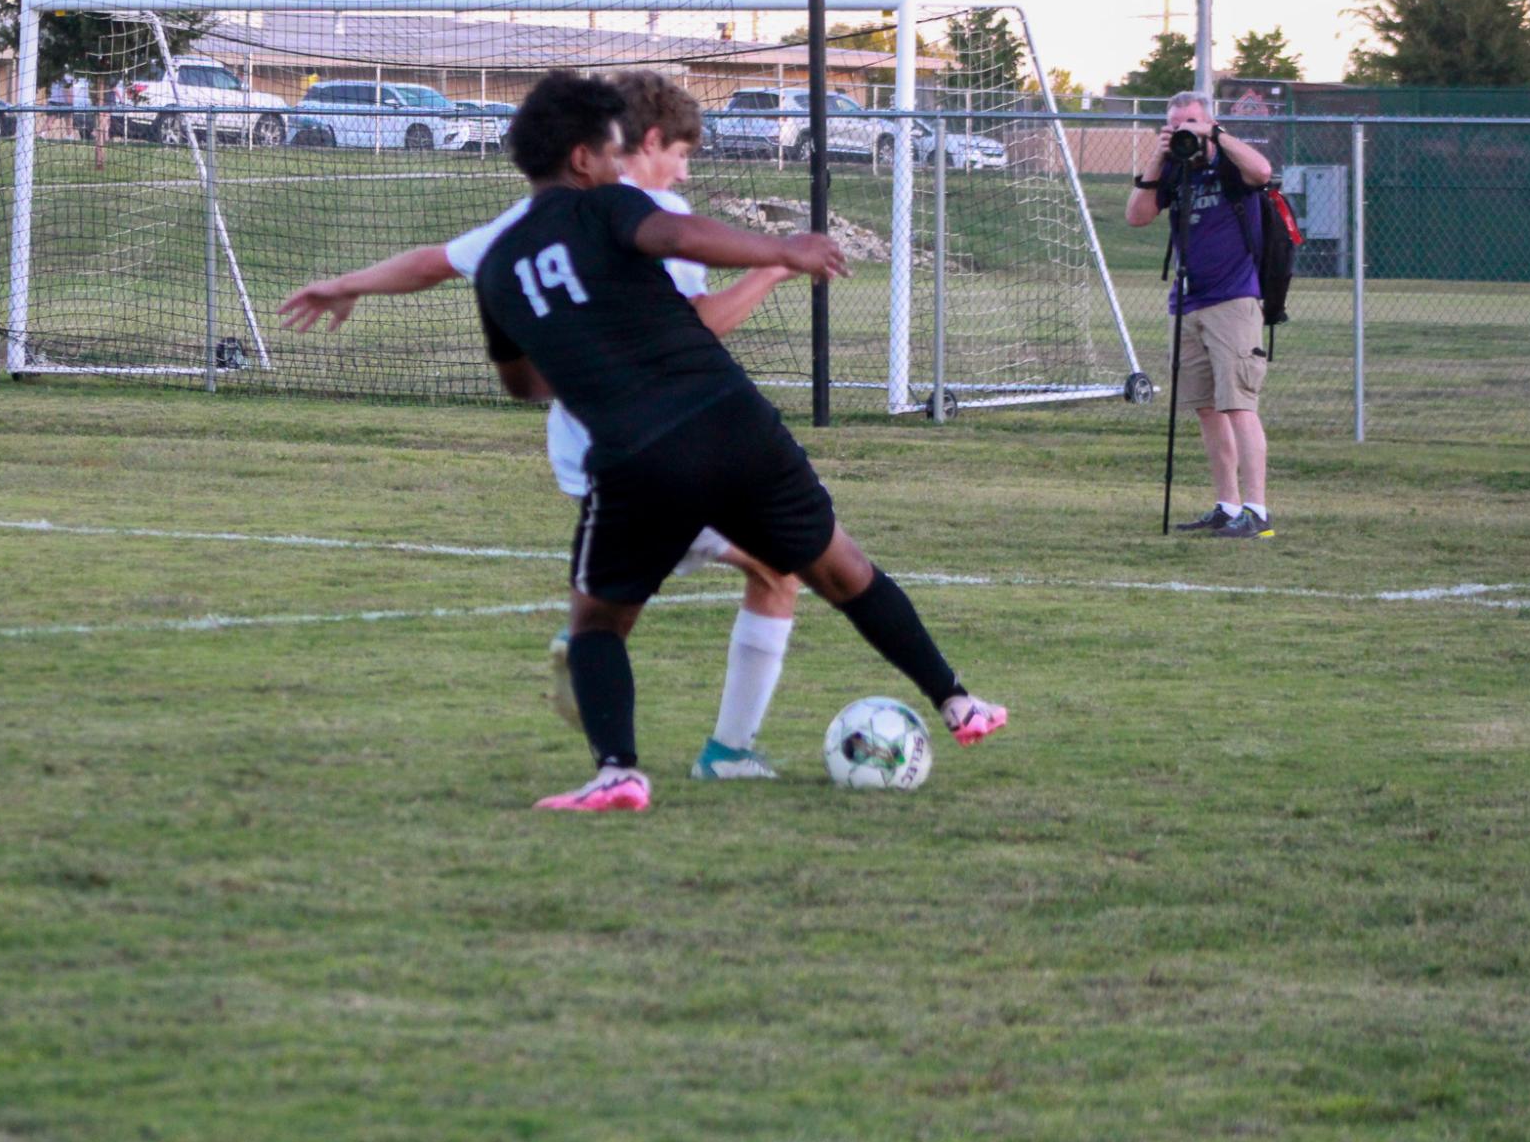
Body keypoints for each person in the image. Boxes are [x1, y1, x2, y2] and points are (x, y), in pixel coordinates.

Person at [300, 69, 1005, 813]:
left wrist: (581, 353)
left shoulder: (500, 265)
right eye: (611, 149)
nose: (621, 160)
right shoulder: (613, 206)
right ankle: (956, 701)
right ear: (582, 159)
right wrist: (781, 251)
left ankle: (617, 773)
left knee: (596, 625)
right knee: (841, 569)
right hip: (732, 422)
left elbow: (522, 385)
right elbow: (673, 232)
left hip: (637, 459)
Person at [279, 71, 799, 780]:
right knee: (775, 569)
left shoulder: (537, 219)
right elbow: (699, 327)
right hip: (651, 451)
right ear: (641, 143)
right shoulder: (652, 216)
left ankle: (596, 656)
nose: (684, 168)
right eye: (680, 152)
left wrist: (344, 284)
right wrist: (774, 266)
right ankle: (723, 750)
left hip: (585, 451)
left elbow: (435, 262)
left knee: (636, 589)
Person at [1125, 89, 1278, 539]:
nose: (1184, 130)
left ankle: (1257, 510)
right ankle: (1227, 505)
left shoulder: (1231, 162)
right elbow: (1137, 216)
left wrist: (1215, 134)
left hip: (1234, 299)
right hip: (1189, 301)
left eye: (1191, 120)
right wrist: (1159, 156)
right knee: (1207, 409)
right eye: (1176, 123)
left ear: (1209, 121)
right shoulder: (1174, 167)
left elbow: (1263, 172)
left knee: (1240, 406)